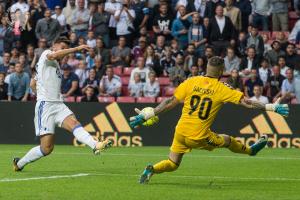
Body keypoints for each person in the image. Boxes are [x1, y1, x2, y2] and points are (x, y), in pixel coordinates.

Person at [129, 56, 288, 184]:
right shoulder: (222, 88)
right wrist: (270, 107)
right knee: (227, 140)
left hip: (180, 132)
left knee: (172, 163)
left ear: (206, 68)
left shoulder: (191, 81)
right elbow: (247, 102)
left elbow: (170, 102)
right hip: (198, 137)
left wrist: (148, 114)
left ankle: (151, 170)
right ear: (222, 70)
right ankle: (251, 151)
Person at [13, 38, 112, 172]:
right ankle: (19, 164)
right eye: (63, 47)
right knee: (46, 149)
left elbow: (32, 84)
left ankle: (95, 145)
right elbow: (53, 55)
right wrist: (77, 49)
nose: (64, 51)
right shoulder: (46, 54)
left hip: (58, 105)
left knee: (74, 123)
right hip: (46, 106)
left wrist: (39, 89)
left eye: (66, 47)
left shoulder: (55, 66)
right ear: (55, 45)